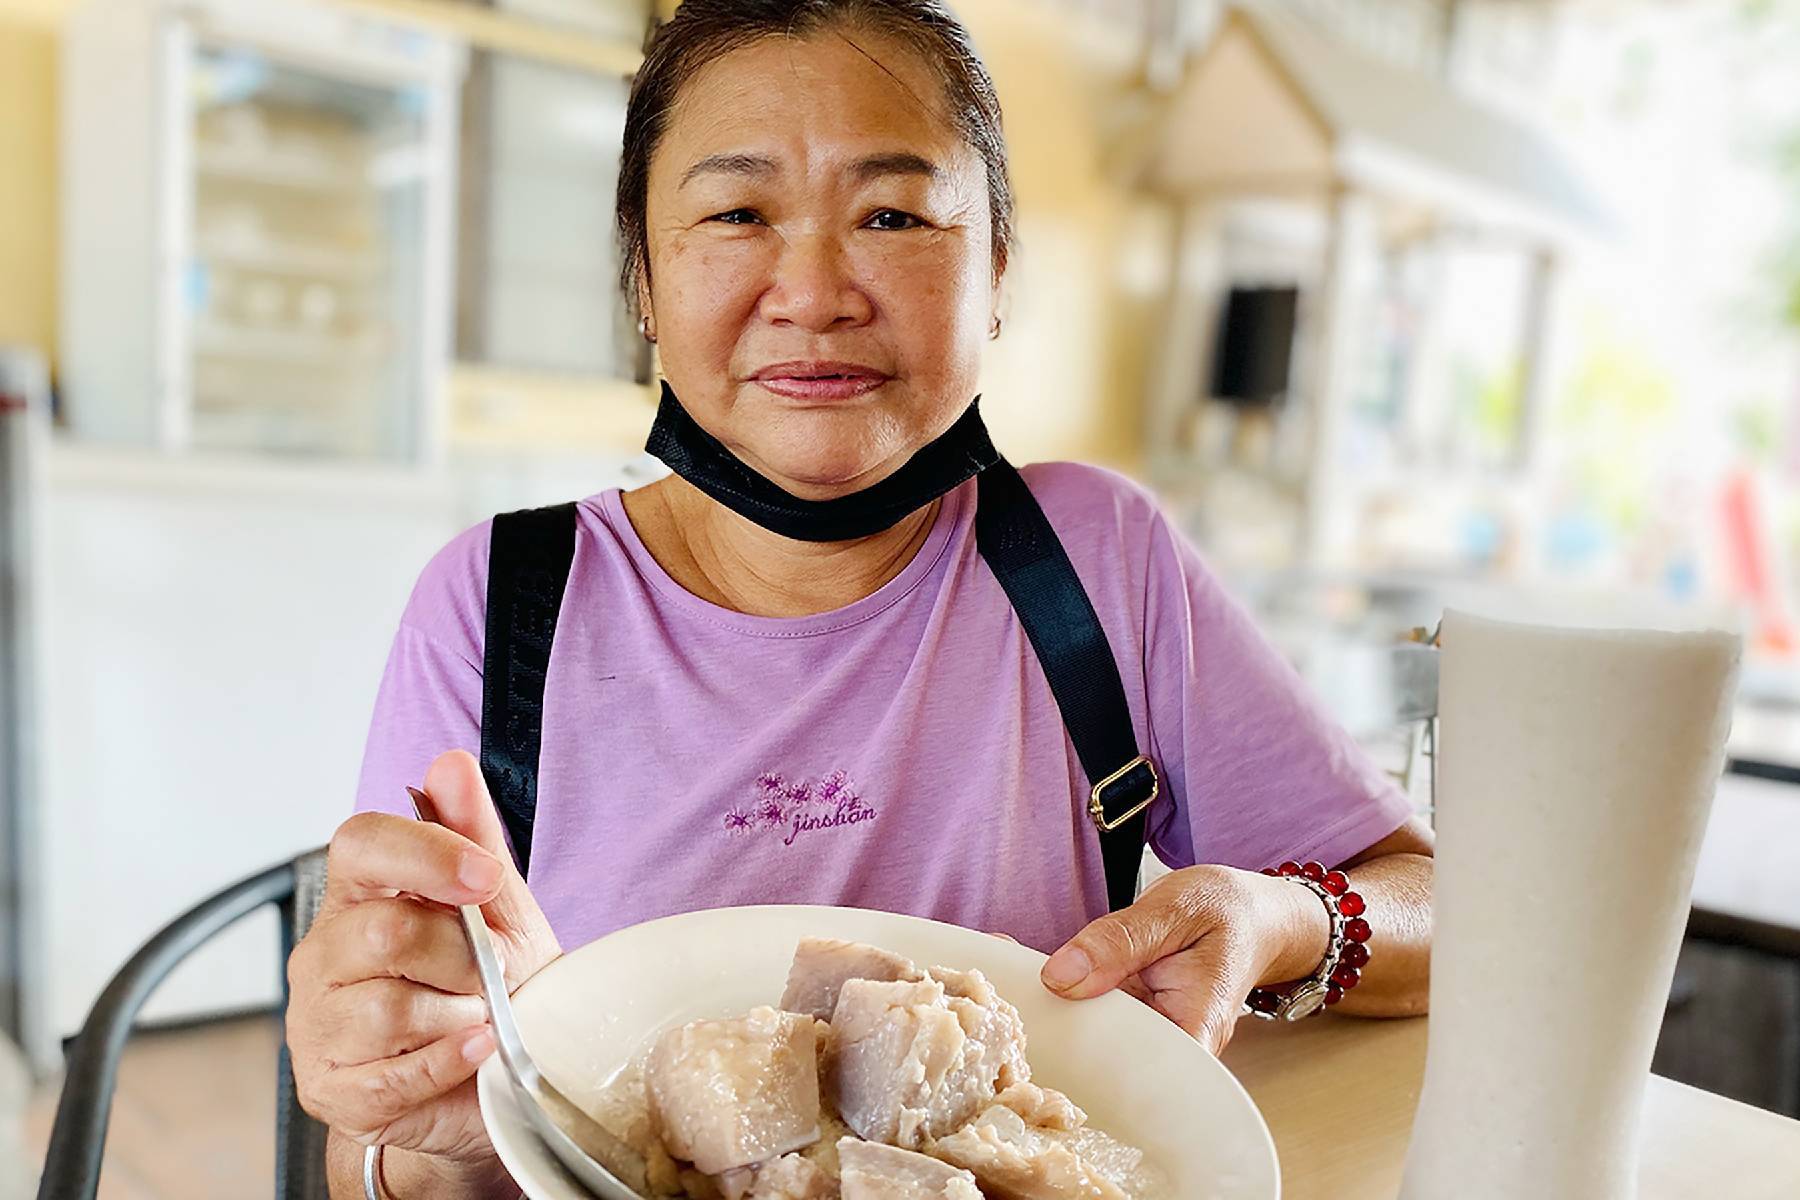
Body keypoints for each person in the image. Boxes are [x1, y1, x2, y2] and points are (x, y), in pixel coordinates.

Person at [285, 1, 1436, 1195]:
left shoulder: (1095, 559)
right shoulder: (497, 605)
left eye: (893, 214)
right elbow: (380, 1157)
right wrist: (468, 1122)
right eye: (737, 212)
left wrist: (1280, 922)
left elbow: (1438, 907)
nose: (817, 290)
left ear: (996, 270)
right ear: (641, 275)